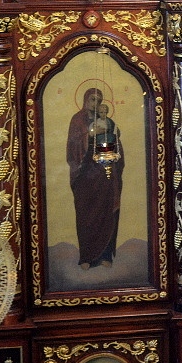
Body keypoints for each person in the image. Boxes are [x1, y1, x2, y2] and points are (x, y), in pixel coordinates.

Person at [67, 87, 125, 269]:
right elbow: (72, 146)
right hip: (85, 176)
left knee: (107, 212)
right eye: (92, 100)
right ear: (85, 100)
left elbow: (116, 142)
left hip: (105, 175)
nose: (95, 104)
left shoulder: (108, 121)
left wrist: (114, 140)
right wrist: (89, 135)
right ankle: (86, 257)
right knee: (87, 215)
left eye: (99, 101)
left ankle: (106, 256)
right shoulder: (77, 120)